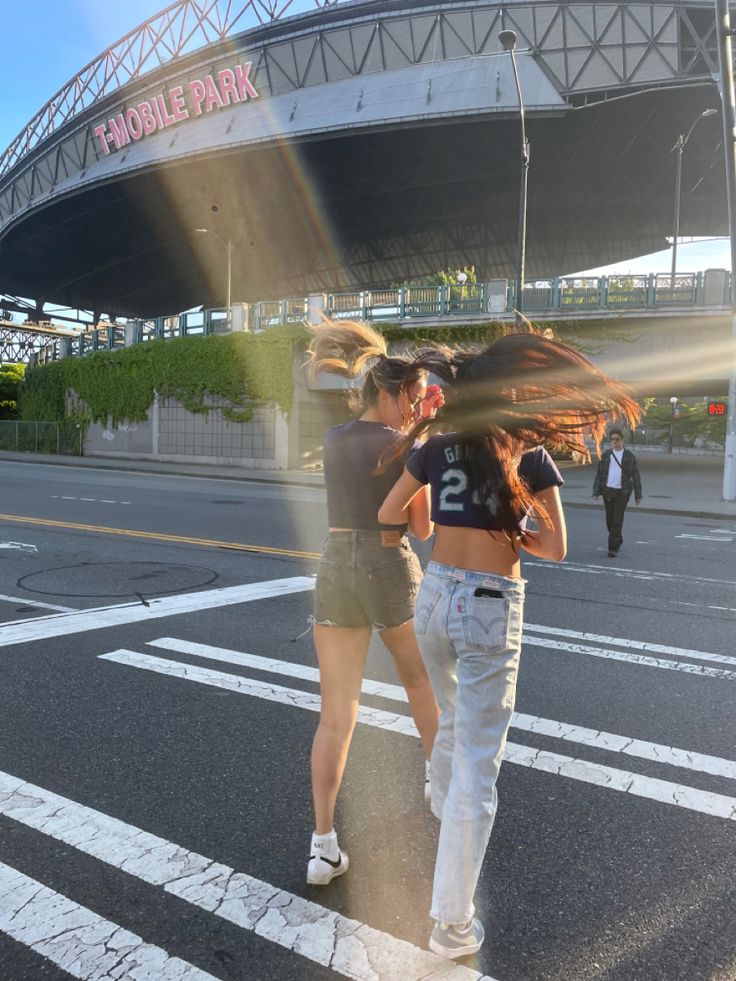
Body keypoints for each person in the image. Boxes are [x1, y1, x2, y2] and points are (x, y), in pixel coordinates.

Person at [378, 330, 639, 959]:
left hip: (434, 596)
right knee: (479, 764)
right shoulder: (529, 456)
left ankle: (438, 799)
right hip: (491, 604)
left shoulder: (435, 448)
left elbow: (391, 515)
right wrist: (509, 523)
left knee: (447, 716)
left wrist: (443, 520)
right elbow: (553, 547)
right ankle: (451, 923)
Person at [305, 319, 443, 887]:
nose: (411, 408)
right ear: (388, 394)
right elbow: (424, 527)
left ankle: (322, 847)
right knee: (419, 683)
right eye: (408, 398)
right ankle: (438, 780)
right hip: (388, 563)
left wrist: (415, 429)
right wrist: (421, 439)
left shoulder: (335, 439)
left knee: (336, 715)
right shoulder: (403, 443)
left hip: (336, 563)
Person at [592, 427, 643, 557]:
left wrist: (638, 495)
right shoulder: (606, 455)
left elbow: (636, 476)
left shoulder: (629, 456)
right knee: (609, 520)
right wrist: (596, 491)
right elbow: (599, 474)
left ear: (622, 440)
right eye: (612, 439)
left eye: (617, 439)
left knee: (617, 520)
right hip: (608, 491)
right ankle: (618, 539)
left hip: (623, 492)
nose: (615, 442)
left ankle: (612, 548)